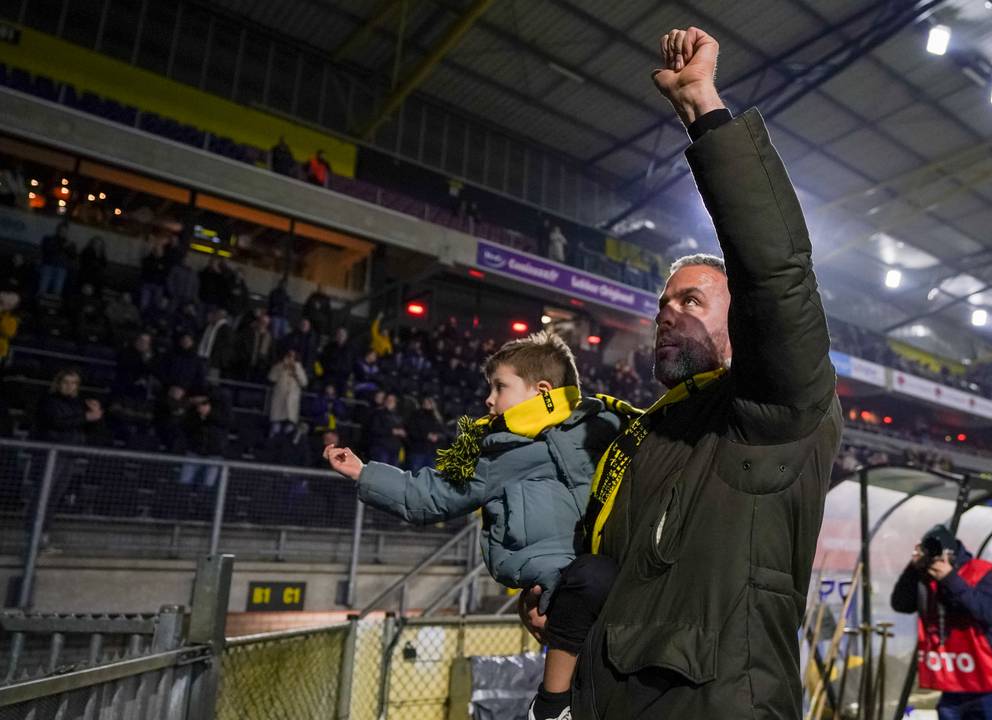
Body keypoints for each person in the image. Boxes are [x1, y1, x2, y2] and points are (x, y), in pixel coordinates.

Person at [517, 28, 842, 719]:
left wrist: (703, 109)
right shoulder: (651, 435)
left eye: (692, 300)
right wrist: (559, 592)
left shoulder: (771, 413)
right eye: (663, 303)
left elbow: (776, 278)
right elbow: (611, 568)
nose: (668, 313)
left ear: (741, 320)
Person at [324, 331, 629, 720]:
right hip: (558, 597)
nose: (488, 399)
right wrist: (364, 472)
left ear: (542, 390)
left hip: (614, 594)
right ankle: (553, 706)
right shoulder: (502, 454)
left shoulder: (606, 429)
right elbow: (431, 495)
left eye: (500, 387)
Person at [890, 524, 992, 719]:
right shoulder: (926, 578)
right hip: (952, 682)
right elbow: (900, 604)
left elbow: (988, 613)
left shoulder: (981, 571)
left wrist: (950, 578)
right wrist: (913, 568)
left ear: (951, 553)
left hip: (988, 682)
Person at [268, 349, 307, 436]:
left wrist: (296, 369)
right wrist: (281, 366)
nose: (290, 359)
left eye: (292, 356)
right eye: (289, 356)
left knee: (289, 431)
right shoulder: (279, 366)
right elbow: (271, 378)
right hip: (279, 403)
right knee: (275, 429)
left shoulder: (298, 367)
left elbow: (304, 382)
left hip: (291, 404)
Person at [362, 392, 406, 466]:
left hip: (394, 449)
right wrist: (392, 431)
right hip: (381, 448)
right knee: (381, 471)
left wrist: (403, 433)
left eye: (392, 400)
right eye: (388, 400)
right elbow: (374, 430)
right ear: (384, 401)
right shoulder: (378, 414)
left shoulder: (399, 417)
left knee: (392, 473)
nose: (390, 402)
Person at [405, 396, 445, 471]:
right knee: (415, 476)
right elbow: (411, 431)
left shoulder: (437, 418)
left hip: (432, 453)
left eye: (429, 402)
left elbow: (443, 434)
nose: (427, 404)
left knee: (429, 477)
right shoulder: (416, 415)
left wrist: (437, 437)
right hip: (417, 451)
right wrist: (427, 436)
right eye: (425, 402)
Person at [38, 221, 75, 298]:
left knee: (57, 291)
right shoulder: (49, 239)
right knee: (43, 288)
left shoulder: (70, 243)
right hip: (48, 265)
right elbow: (47, 250)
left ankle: (52, 307)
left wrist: (68, 248)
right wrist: (63, 247)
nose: (63, 232)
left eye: (65, 230)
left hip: (61, 268)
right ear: (57, 230)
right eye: (61, 230)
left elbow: (73, 256)